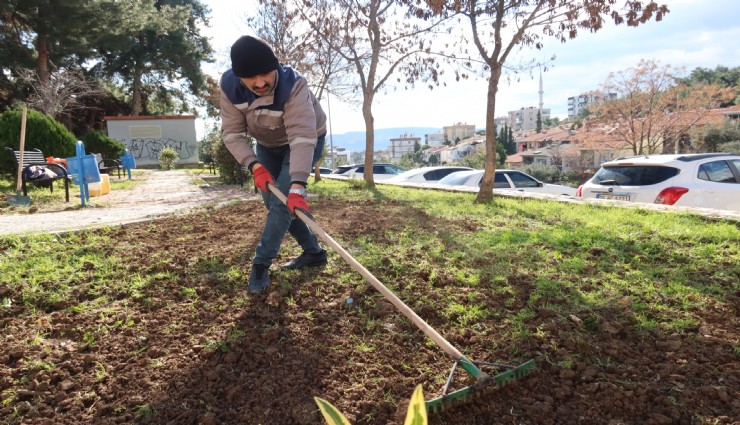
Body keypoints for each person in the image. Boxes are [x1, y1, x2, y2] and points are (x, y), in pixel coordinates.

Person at [220, 35, 328, 294]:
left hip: (303, 140)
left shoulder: (294, 85)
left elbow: (301, 136)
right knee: (274, 202)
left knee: (283, 202)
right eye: (250, 78)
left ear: (276, 67)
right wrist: (253, 165)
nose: (260, 83)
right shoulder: (230, 87)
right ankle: (314, 252)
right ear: (239, 77)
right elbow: (233, 134)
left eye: (266, 74)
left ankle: (260, 264)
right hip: (267, 145)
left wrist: (298, 184)